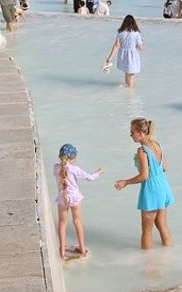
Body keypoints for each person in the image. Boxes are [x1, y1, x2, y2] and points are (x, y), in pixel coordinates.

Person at [113, 118, 174, 250]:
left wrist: (125, 182)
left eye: (132, 132)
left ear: (140, 133)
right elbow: (164, 168)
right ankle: (170, 253)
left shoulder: (142, 151)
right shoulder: (157, 144)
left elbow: (144, 176)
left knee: (146, 230)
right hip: (163, 187)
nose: (130, 135)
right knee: (162, 224)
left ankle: (147, 264)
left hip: (151, 190)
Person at [54, 143, 102, 259]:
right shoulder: (75, 169)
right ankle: (82, 249)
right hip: (75, 198)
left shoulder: (55, 167)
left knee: (62, 223)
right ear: (73, 158)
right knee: (77, 222)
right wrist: (98, 172)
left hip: (62, 198)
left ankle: (62, 252)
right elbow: (90, 178)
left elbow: (60, 177)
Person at [103, 15, 144, 88]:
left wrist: (109, 59)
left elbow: (116, 46)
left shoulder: (120, 32)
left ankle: (127, 88)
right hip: (132, 56)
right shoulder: (136, 33)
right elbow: (140, 47)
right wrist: (141, 42)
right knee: (131, 75)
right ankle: (130, 93)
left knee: (126, 73)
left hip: (123, 55)